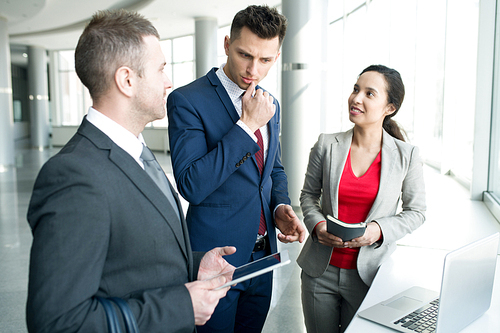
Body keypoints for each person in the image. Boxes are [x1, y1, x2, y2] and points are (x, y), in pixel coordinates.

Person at [26, 10, 236, 333]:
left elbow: (133, 260)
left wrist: (195, 265)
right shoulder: (73, 177)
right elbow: (58, 323)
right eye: (161, 69)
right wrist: (182, 306)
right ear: (127, 80)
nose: (169, 81)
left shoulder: (133, 148)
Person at [167, 5, 306, 333]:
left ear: (277, 55)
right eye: (245, 54)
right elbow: (191, 184)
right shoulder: (188, 101)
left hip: (263, 258)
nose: (253, 70)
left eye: (266, 60)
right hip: (216, 258)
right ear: (227, 43)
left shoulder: (270, 104)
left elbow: (274, 169)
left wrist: (280, 206)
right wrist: (246, 127)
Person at [297, 65, 426, 333]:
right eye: (356, 89)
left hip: (369, 275)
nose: (356, 98)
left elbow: (417, 211)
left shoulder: (407, 155)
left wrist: (378, 231)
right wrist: (318, 226)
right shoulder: (326, 144)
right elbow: (308, 196)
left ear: (389, 108)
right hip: (320, 272)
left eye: (369, 93)